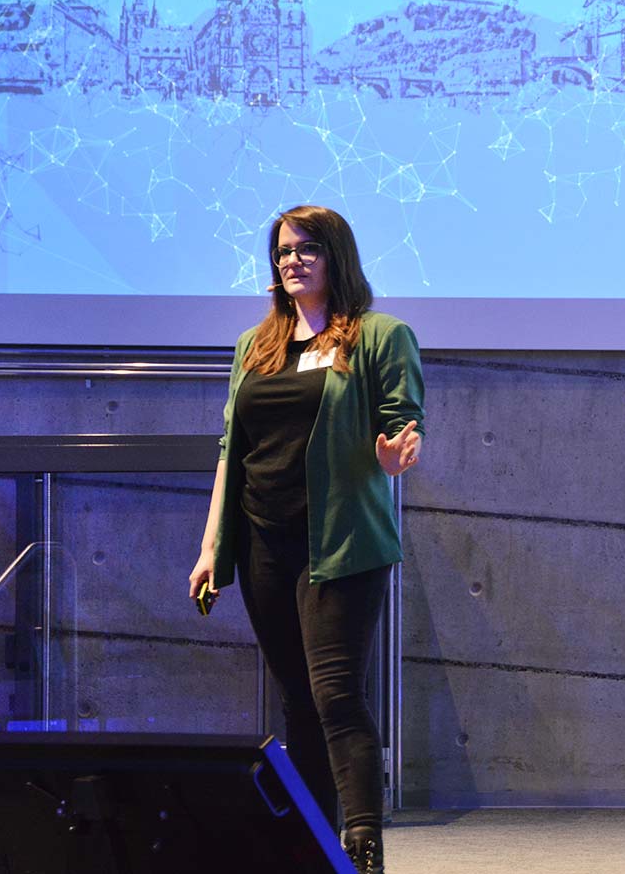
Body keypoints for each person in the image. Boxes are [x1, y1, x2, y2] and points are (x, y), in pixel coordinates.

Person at [189, 205, 424, 874]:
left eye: (307, 248)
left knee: (337, 694)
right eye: (284, 250)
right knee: (297, 701)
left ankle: (363, 844)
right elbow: (232, 449)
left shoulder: (380, 336)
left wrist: (393, 457)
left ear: (335, 256)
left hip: (341, 542)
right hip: (264, 542)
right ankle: (317, 845)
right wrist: (211, 547)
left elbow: (402, 425)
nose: (292, 260)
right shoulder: (254, 345)